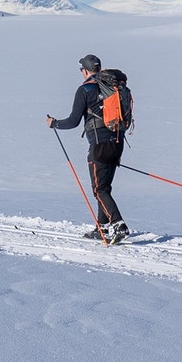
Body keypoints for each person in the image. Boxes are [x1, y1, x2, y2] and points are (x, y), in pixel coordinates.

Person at [47, 53, 129, 243]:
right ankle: (102, 229)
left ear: (84, 71)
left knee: (99, 190)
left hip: (100, 145)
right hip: (118, 142)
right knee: (104, 188)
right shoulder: (112, 86)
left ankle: (119, 225)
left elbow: (73, 121)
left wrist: (54, 123)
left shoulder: (86, 89)